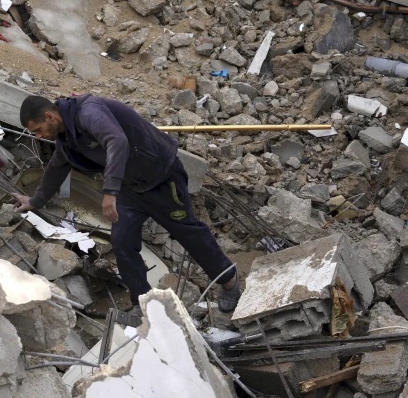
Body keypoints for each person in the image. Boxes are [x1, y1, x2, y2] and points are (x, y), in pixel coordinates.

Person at [14, 94, 241, 325]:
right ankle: (142, 304)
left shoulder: (88, 112)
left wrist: (109, 191)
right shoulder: (67, 137)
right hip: (130, 188)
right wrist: (35, 201)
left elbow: (116, 140)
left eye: (38, 129)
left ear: (49, 116)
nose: (39, 136)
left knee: (189, 233)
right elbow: (57, 167)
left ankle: (229, 281)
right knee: (122, 240)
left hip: (162, 179)